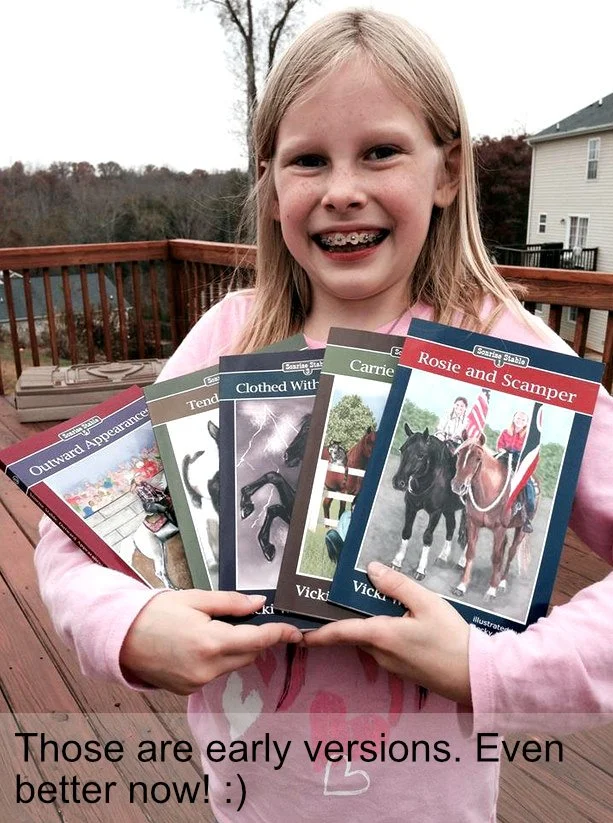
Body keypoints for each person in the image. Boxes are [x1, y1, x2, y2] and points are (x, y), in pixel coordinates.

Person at [34, 10, 612, 822]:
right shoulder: (226, 340)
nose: (342, 190)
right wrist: (130, 625)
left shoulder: (501, 347)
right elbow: (75, 532)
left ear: (446, 171)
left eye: (379, 151)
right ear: (270, 188)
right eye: (307, 160)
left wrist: (490, 667)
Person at [496, 410, 537, 532]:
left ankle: (527, 517)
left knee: (528, 487)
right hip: (504, 458)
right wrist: (502, 450)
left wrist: (520, 456)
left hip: (519, 462)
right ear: (514, 419)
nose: (519, 421)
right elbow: (499, 445)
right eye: (518, 418)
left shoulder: (528, 436)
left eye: (523, 420)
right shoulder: (505, 432)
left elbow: (529, 453)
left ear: (526, 423)